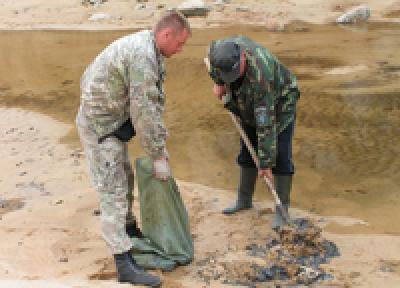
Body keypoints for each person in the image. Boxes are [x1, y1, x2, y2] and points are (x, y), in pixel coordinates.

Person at [76, 10, 191, 287]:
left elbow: (148, 101)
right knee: (113, 192)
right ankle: (123, 262)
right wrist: (158, 154)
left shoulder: (148, 47)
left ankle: (130, 231)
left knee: (125, 178)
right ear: (166, 34)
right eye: (180, 43)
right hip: (100, 128)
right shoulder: (142, 56)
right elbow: (145, 113)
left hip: (111, 123)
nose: (181, 49)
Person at [206, 36, 300, 230]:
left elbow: (265, 126)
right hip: (246, 102)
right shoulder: (219, 53)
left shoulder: (260, 74)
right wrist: (219, 83)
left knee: (280, 156)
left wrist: (265, 164)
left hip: (280, 104)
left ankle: (282, 211)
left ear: (243, 58)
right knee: (247, 149)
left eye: (232, 74)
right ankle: (244, 200)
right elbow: (213, 67)